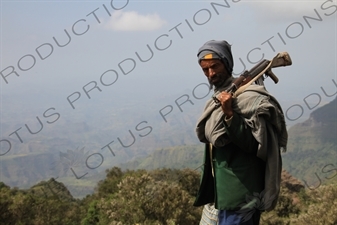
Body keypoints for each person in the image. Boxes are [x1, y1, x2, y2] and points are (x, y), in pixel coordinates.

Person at [193, 40, 288, 225]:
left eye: (215, 66)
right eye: (205, 70)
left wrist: (229, 115)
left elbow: (254, 145)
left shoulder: (248, 97)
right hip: (221, 193)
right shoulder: (223, 95)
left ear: (226, 64)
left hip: (241, 195)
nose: (211, 73)